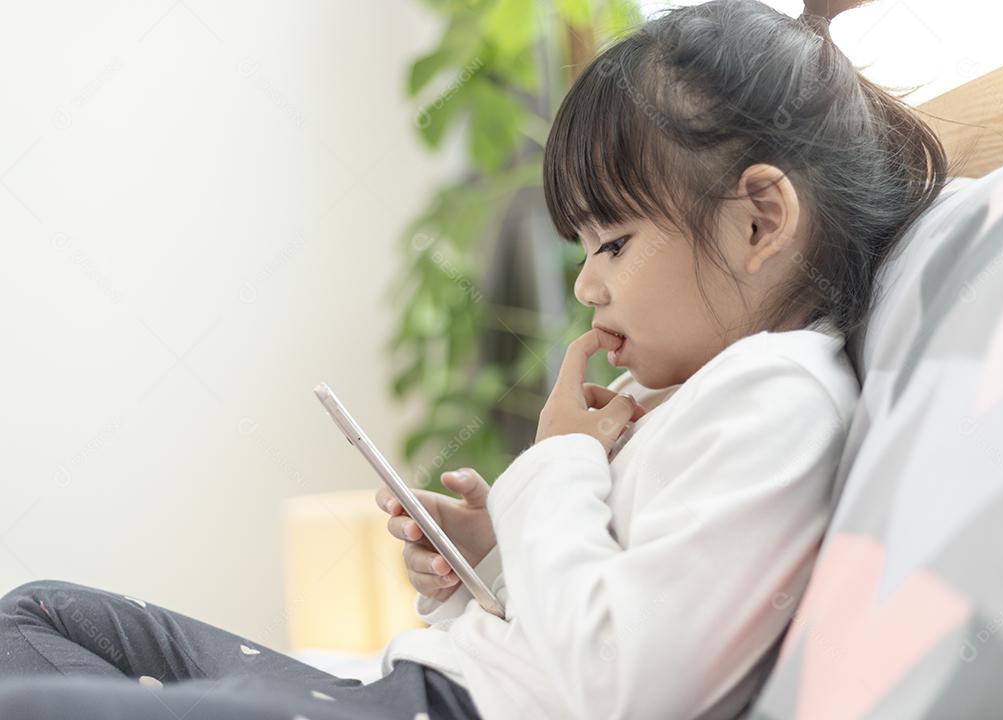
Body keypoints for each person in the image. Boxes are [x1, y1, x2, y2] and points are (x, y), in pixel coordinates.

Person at [0, 0, 946, 718]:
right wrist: (490, 562)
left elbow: (627, 681)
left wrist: (557, 464)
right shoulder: (681, 397)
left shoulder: (775, 398)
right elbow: (562, 628)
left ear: (758, 221)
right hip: (420, 689)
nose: (588, 286)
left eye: (611, 243)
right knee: (38, 615)